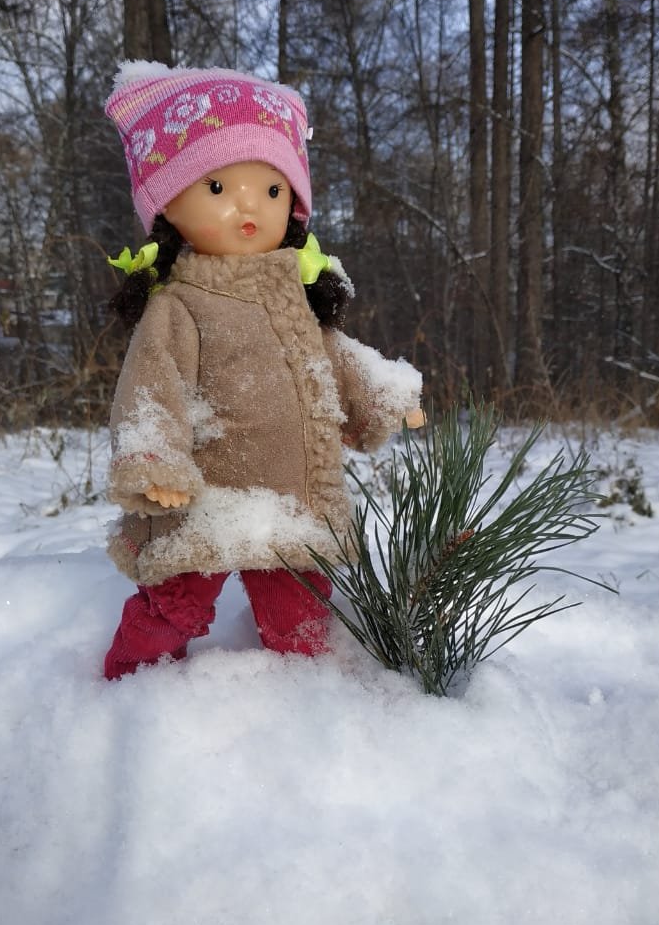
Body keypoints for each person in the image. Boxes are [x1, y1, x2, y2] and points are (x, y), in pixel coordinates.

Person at [102, 62, 423, 680]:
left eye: (273, 190)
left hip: (289, 496)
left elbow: (331, 358)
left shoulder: (291, 296)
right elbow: (151, 389)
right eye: (218, 188)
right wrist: (155, 464)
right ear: (167, 203)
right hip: (206, 498)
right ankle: (130, 682)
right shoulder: (180, 305)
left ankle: (305, 702)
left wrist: (382, 397)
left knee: (300, 611)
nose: (250, 206)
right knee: (175, 603)